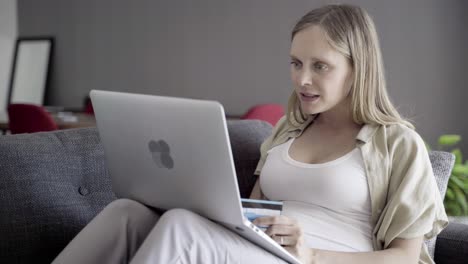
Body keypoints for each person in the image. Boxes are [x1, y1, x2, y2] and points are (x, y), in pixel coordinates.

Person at [53, 4, 447, 264]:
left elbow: (406, 257)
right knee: (127, 213)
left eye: (320, 66)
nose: (302, 79)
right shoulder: (289, 129)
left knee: (181, 228)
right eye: (296, 63)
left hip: (320, 259)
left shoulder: (396, 142)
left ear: (357, 68)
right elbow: (253, 211)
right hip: (262, 251)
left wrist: (310, 253)